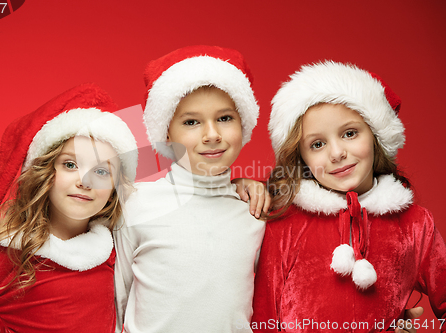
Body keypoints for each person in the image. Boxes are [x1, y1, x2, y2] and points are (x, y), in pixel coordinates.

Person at [251, 61, 446, 332]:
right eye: (317, 144)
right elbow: (264, 319)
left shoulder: (415, 224)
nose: (336, 153)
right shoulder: (283, 223)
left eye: (350, 133)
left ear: (376, 136)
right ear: (302, 158)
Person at [0, 83, 138, 333]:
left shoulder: (114, 253)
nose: (85, 181)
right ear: (46, 173)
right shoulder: (11, 257)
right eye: (71, 165)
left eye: (101, 171)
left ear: (114, 190)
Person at [114, 45, 267, 333]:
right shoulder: (137, 204)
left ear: (243, 122)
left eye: (224, 118)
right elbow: (114, 302)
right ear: (168, 132)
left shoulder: (254, 211)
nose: (212, 135)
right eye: (192, 122)